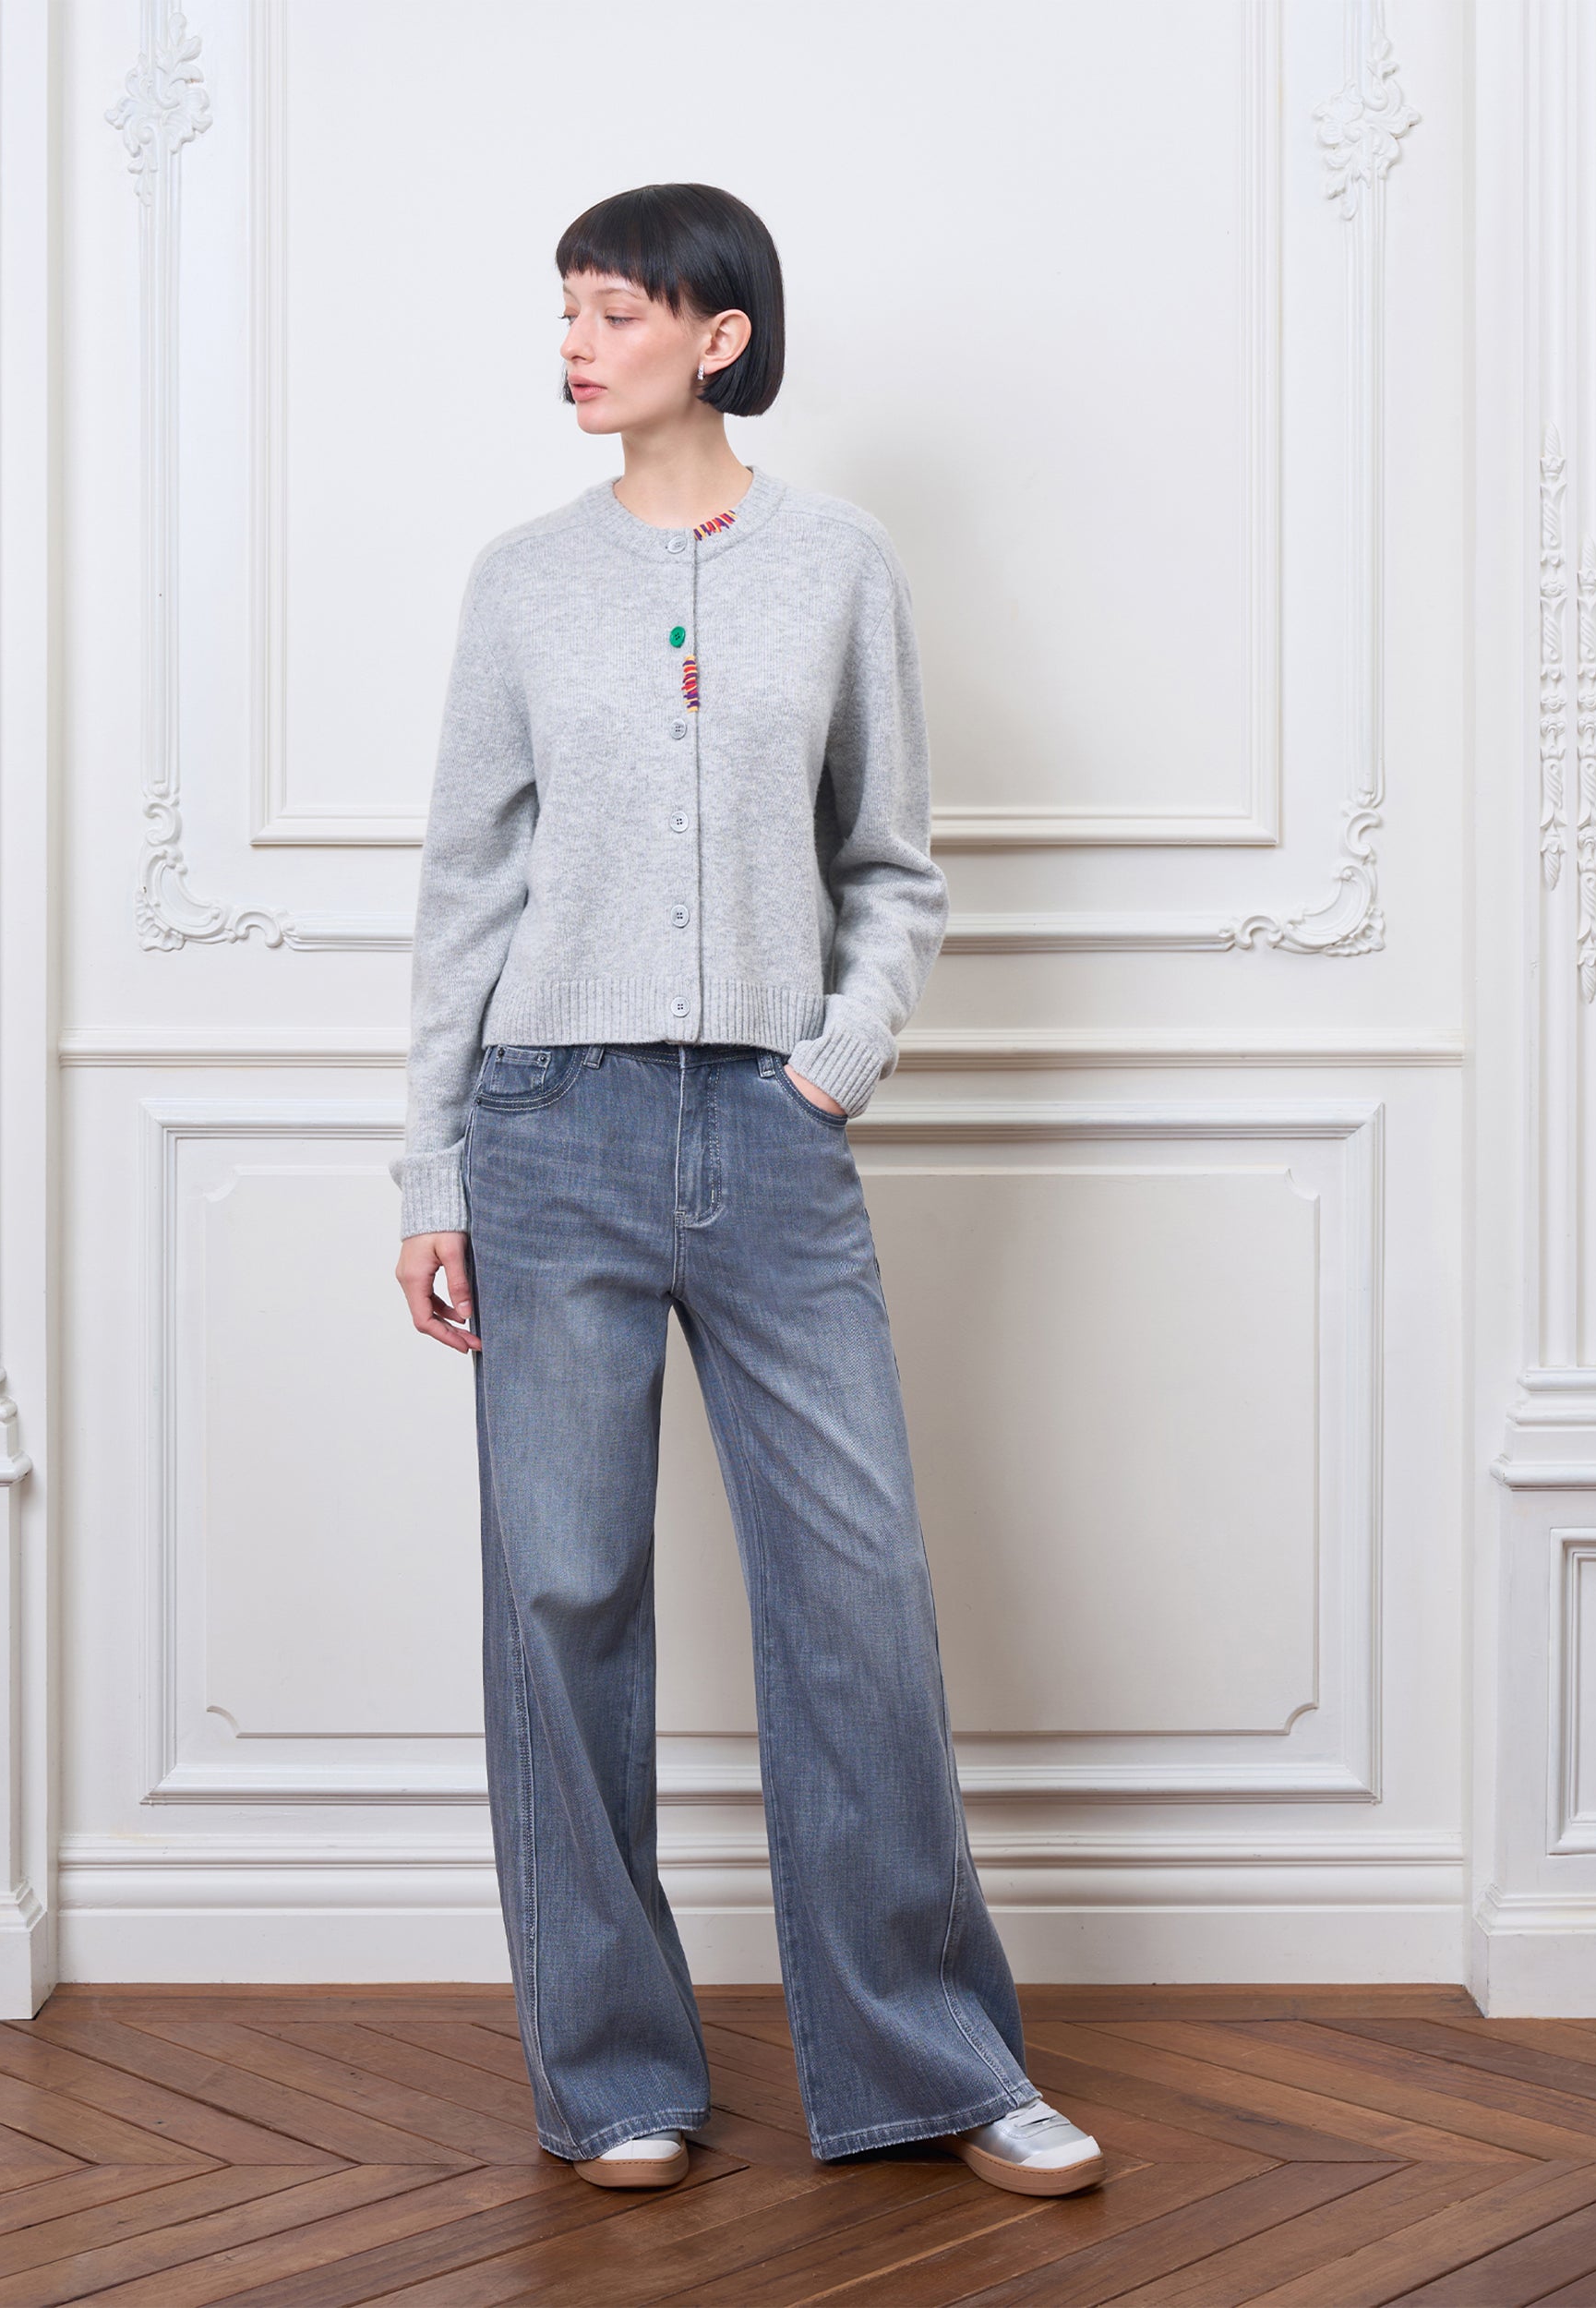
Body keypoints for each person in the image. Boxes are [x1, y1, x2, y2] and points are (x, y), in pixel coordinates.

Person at [392, 182, 1104, 2200]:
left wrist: (832, 1062)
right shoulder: (522, 583)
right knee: (562, 1593)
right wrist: (431, 1165)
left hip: (775, 1144)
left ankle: (934, 2061)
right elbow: (465, 892)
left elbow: (894, 864)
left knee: (855, 1599)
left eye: (614, 310)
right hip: (551, 1125)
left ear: (719, 334)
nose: (574, 342)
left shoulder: (838, 567)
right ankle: (613, 2073)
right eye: (565, 309)